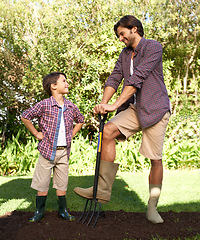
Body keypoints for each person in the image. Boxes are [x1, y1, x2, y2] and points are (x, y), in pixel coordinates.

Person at [74, 15, 171, 224]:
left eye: (122, 34)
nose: (120, 38)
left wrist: (115, 105)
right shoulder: (125, 54)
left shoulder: (153, 47)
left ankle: (152, 207)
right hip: (135, 108)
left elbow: (139, 78)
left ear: (134, 29)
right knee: (107, 130)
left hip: (155, 109)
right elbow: (115, 77)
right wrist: (103, 104)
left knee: (155, 159)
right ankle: (101, 190)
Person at [21, 72, 84, 222]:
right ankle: (39, 212)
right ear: (53, 86)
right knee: (42, 183)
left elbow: (80, 120)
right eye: (64, 81)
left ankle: (63, 210)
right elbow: (25, 116)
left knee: (62, 183)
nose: (67, 83)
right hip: (47, 151)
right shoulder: (44, 104)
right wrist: (36, 133)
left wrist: (71, 134)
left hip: (63, 152)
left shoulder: (70, 106)